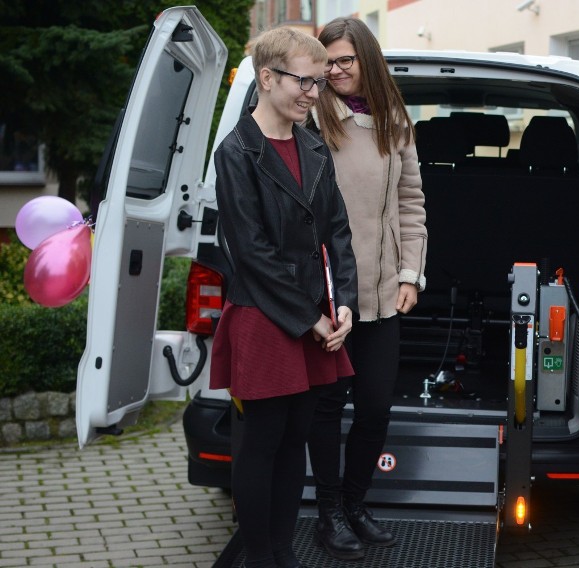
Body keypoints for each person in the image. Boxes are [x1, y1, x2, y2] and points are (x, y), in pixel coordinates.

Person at [210, 26, 358, 568]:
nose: (313, 94)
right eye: (304, 81)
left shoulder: (313, 144)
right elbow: (249, 252)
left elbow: (337, 232)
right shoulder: (236, 153)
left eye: (319, 84)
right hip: (266, 317)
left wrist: (342, 302)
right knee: (262, 443)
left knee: (297, 437)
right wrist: (310, 318)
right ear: (267, 78)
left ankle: (283, 554)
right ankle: (260, 556)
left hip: (314, 315)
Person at [305, 17, 428, 561]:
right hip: (330, 295)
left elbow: (411, 204)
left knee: (376, 407)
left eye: (345, 60)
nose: (334, 71)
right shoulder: (310, 116)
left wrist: (410, 274)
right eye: (327, 61)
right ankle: (327, 514)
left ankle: (355, 502)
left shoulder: (395, 120)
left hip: (382, 295)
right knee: (327, 408)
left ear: (367, 60)